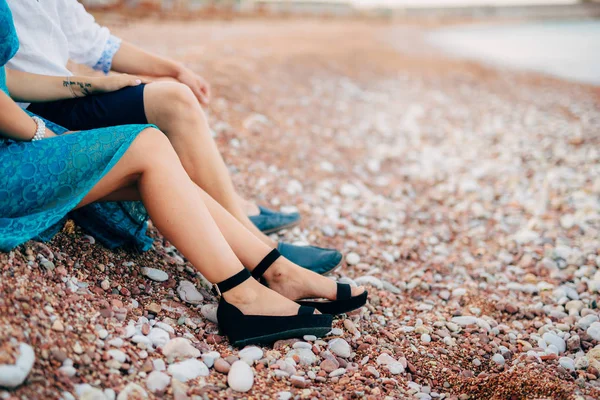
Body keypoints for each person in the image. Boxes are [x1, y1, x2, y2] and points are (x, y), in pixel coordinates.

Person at [0, 0, 367, 346]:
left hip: (24, 126)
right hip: (18, 139)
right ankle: (245, 294)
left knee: (157, 156)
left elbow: (8, 79)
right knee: (149, 147)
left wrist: (95, 83)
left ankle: (275, 269)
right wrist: (46, 134)